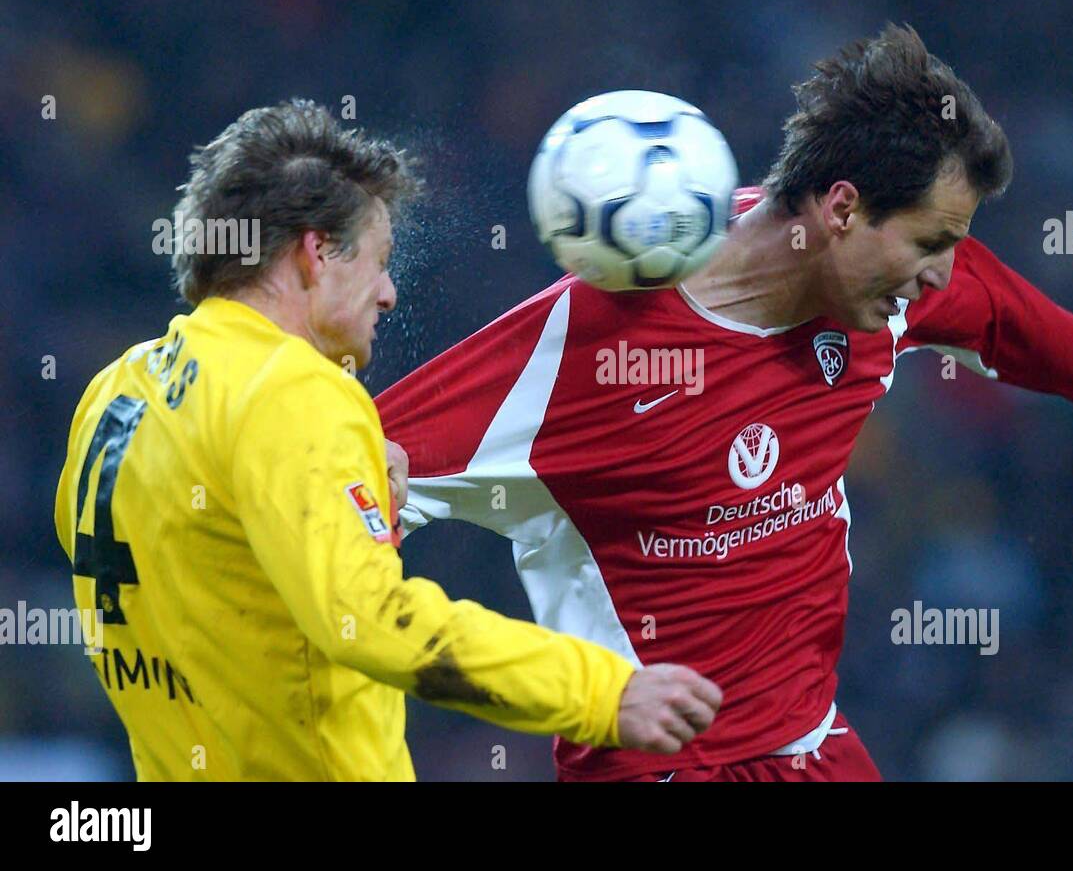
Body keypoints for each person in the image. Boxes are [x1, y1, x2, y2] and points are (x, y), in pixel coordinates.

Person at [376, 25, 1073, 782]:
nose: (941, 273)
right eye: (932, 240)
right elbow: (357, 462)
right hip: (658, 763)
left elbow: (1004, 315)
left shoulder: (885, 290)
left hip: (813, 746)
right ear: (842, 208)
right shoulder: (581, 352)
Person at [52, 99, 720, 781]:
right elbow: (368, 619)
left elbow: (213, 582)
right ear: (315, 253)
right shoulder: (294, 391)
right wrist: (603, 691)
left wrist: (352, 511)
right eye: (379, 260)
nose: (390, 293)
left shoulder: (114, 394)